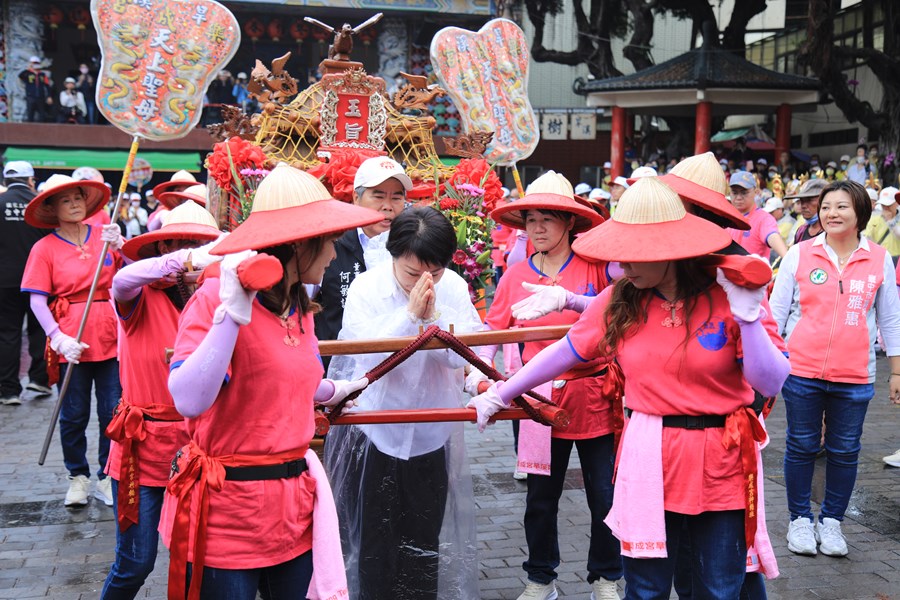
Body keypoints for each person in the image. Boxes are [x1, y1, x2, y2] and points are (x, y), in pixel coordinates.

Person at [469, 177, 791, 600]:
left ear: (670, 251)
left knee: (719, 586)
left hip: (720, 455)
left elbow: (769, 382)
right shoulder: (621, 298)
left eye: (634, 255)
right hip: (649, 451)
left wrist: (748, 320)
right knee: (646, 587)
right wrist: (501, 393)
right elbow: (566, 351)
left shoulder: (729, 293)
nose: (622, 265)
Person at [160, 165, 383, 600]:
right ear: (300, 244)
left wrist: (337, 391)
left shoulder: (298, 305)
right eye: (329, 242)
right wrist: (230, 317)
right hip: (228, 516)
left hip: (291, 511)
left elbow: (290, 378)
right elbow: (188, 399)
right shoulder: (214, 300)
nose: (335, 255)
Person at [472, 172, 620, 600]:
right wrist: (479, 372)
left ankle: (606, 577)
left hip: (595, 395)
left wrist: (573, 300)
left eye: (547, 220)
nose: (536, 228)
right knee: (540, 497)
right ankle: (540, 578)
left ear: (570, 222)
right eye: (530, 220)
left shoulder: (597, 266)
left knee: (605, 497)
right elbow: (491, 330)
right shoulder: (515, 274)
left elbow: (626, 304)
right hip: (538, 400)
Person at [324, 206, 482, 600]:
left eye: (436, 272)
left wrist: (433, 321)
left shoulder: (455, 288)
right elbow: (366, 361)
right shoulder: (367, 288)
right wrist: (409, 318)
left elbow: (464, 358)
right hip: (377, 432)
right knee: (375, 542)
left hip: (432, 433)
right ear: (393, 255)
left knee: (423, 542)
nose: (424, 283)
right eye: (412, 273)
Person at [770, 179, 900, 558]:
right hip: (802, 372)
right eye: (826, 206)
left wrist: (896, 370)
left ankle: (831, 522)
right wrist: (770, 365)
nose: (831, 213)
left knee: (845, 450)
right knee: (801, 446)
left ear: (860, 211)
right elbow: (776, 315)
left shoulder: (878, 259)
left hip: (855, 376)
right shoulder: (798, 254)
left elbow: (890, 320)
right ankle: (799, 520)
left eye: (841, 206)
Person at [101, 200, 222, 599]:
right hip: (143, 443)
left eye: (199, 246)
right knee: (135, 562)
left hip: (199, 447)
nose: (189, 258)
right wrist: (185, 259)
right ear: (162, 249)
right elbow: (122, 279)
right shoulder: (137, 294)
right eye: (177, 245)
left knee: (195, 563)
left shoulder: (220, 300)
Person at [20, 174, 124, 507]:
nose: (75, 203)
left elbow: (134, 274)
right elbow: (37, 300)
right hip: (71, 337)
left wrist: (123, 245)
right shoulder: (43, 248)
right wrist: (57, 337)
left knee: (112, 412)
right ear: (52, 208)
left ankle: (108, 476)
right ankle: (77, 476)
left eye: (78, 197)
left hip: (109, 333)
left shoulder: (104, 237)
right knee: (74, 413)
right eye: (66, 200)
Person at [313, 156, 412, 366]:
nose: (387, 206)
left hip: (398, 371)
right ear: (356, 199)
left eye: (396, 198)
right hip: (336, 379)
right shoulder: (331, 245)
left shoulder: (412, 250)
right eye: (378, 196)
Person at [0, 161, 50, 405]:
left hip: (4, 279)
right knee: (39, 329)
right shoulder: (39, 205)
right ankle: (39, 379)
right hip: (38, 278)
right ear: (30, 179)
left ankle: (8, 390)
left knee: (8, 333)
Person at [727, 171, 788, 260]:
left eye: (744, 193)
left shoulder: (763, 218)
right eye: (735, 193)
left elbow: (772, 236)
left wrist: (786, 257)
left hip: (753, 272)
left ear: (755, 192)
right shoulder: (726, 217)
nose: (739, 197)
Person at [862, 187, 900, 263]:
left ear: (897, 203)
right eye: (883, 204)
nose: (885, 207)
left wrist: (890, 221)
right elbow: (866, 238)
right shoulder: (874, 218)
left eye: (888, 205)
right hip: (880, 258)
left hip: (898, 259)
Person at [788, 179, 829, 244]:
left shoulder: (831, 233)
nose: (803, 206)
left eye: (809, 200)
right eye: (802, 201)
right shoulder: (801, 231)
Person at [18, 56, 53, 123]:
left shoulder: (42, 74)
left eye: (36, 63)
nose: (35, 64)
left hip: (41, 97)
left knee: (42, 114)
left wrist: (49, 96)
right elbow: (20, 76)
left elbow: (47, 85)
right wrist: (29, 68)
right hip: (30, 96)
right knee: (30, 113)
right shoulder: (27, 73)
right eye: (34, 63)